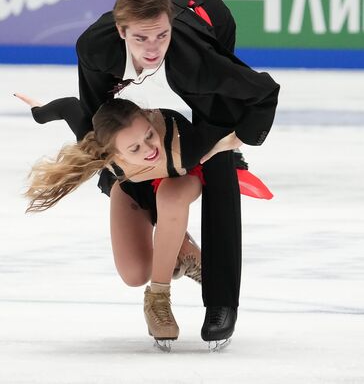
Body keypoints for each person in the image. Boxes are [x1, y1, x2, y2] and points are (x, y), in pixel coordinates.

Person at [74, 0, 282, 344]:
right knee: (132, 165)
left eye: (160, 35)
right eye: (141, 38)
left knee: (217, 167)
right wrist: (111, 174)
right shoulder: (96, 50)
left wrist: (235, 141)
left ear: (169, 22)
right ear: (121, 30)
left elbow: (263, 91)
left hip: (206, 31)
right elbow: (95, 118)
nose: (151, 48)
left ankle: (222, 301)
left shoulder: (198, 61)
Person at [16, 93, 243, 349]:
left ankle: (158, 299)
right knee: (135, 274)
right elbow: (69, 105)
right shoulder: (97, 148)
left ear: (148, 118)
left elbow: (231, 128)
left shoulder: (186, 144)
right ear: (110, 153)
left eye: (148, 135)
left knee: (169, 197)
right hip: (131, 186)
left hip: (179, 177)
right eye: (134, 148)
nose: (149, 149)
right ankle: (181, 249)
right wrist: (39, 112)